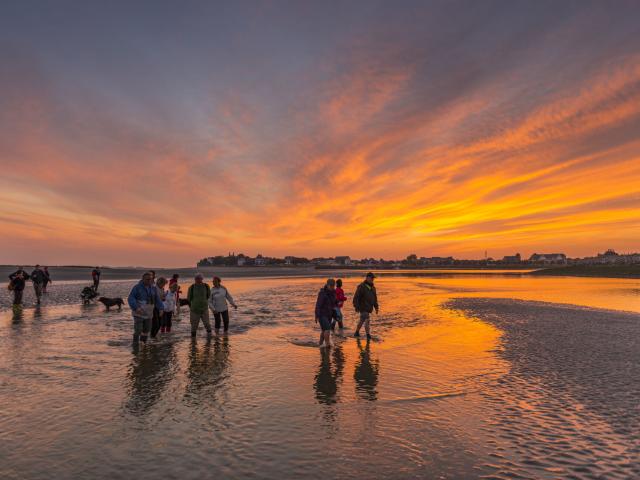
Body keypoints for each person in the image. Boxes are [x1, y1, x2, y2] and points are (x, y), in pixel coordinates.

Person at [127, 272, 165, 344]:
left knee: (147, 330)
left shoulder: (153, 288)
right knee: (138, 329)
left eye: (150, 279)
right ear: (143, 279)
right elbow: (131, 298)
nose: (149, 281)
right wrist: (136, 307)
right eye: (147, 279)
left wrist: (161, 308)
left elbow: (157, 299)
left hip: (149, 314)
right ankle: (135, 344)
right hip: (138, 313)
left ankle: (143, 344)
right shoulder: (137, 287)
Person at [352, 272, 379, 340]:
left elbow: (375, 298)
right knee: (367, 320)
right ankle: (368, 335)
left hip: (369, 307)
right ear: (367, 278)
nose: (372, 279)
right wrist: (356, 306)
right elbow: (356, 298)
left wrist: (376, 307)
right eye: (371, 278)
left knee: (362, 320)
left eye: (373, 278)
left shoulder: (373, 288)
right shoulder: (361, 287)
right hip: (362, 307)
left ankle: (357, 332)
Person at [187, 273, 212, 338]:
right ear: (195, 279)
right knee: (194, 326)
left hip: (204, 309)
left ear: (202, 279)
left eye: (199, 278)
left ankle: (210, 338)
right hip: (194, 310)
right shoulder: (191, 287)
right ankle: (193, 340)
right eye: (197, 278)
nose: (198, 280)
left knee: (207, 324)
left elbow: (208, 295)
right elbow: (189, 298)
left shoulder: (206, 286)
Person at [315, 278, 337, 348]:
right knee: (327, 329)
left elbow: (334, 304)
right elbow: (318, 305)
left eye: (333, 285)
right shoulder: (322, 293)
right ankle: (327, 344)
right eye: (330, 285)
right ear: (327, 285)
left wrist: (335, 313)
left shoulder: (333, 293)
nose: (332, 287)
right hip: (322, 315)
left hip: (329, 315)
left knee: (324, 330)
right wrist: (317, 315)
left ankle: (320, 344)